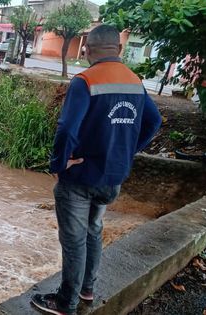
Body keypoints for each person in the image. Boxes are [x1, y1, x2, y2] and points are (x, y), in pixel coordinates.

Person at [31, 25, 162, 315]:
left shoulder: (85, 81)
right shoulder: (135, 81)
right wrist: (128, 151)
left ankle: (66, 302)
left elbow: (66, 128)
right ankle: (88, 289)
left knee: (74, 240)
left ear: (87, 49)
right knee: (94, 230)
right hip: (112, 179)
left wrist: (58, 163)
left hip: (79, 178)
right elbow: (154, 122)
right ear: (119, 49)